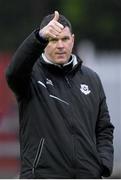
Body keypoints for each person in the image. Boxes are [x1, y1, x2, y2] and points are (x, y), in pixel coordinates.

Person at [6, 11, 114, 179]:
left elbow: (104, 128)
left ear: (73, 39)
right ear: (43, 43)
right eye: (53, 40)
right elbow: (13, 73)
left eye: (65, 39)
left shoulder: (91, 78)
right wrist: (39, 36)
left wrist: (103, 164)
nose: (60, 45)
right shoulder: (31, 76)